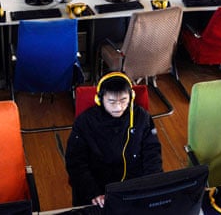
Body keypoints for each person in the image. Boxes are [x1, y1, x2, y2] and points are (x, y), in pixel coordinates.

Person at [65, 72, 163, 208]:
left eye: (123, 100)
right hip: (97, 188)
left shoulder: (141, 117)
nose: (118, 107)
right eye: (111, 102)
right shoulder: (85, 122)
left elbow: (152, 154)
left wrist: (151, 185)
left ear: (131, 97)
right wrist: (94, 192)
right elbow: (75, 162)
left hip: (134, 186)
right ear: (100, 100)